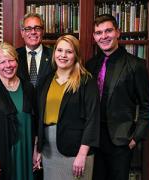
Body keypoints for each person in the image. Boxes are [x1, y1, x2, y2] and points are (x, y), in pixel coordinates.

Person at [86, 14, 149, 180]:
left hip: (121, 142)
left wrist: (135, 138)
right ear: (94, 37)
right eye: (99, 32)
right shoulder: (90, 65)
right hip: (94, 139)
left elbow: (147, 107)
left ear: (118, 32)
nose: (104, 36)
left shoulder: (136, 65)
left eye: (108, 31)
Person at [36, 34, 100, 180]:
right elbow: (39, 117)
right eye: (59, 50)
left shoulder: (86, 81)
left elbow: (92, 119)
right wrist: (38, 148)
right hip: (49, 151)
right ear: (54, 53)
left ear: (76, 55)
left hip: (76, 151)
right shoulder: (46, 81)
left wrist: (82, 154)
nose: (63, 55)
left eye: (69, 52)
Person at [0, 42, 36, 180]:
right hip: (1, 154)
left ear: (17, 61)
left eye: (11, 60)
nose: (8, 66)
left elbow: (35, 119)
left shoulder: (28, 88)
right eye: (3, 62)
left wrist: (36, 150)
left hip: (25, 153)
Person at [16, 13, 53, 88]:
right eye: (28, 29)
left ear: (43, 32)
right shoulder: (14, 55)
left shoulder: (54, 56)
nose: (33, 32)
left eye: (37, 28)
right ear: (22, 33)